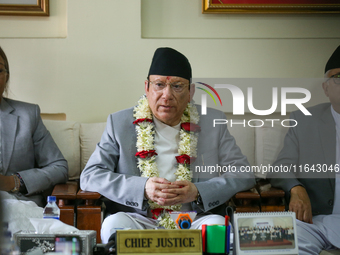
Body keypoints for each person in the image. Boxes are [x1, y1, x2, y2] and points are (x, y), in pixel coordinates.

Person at [80, 47, 255, 243]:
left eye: (177, 86)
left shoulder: (213, 122)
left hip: (195, 219)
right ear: (146, 88)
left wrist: (198, 192)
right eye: (159, 85)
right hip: (140, 218)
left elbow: (243, 173)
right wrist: (142, 188)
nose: (167, 95)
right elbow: (91, 175)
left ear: (191, 92)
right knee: (113, 225)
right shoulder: (119, 123)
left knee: (219, 229)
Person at [269, 45, 340, 254]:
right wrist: (296, 189)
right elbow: (280, 167)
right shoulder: (304, 120)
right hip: (317, 222)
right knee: (282, 245)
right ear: (326, 88)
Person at [0, 46, 68, 228]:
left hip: (18, 205)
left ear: (6, 77)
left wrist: (14, 181)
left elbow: (59, 167)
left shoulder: (27, 115)